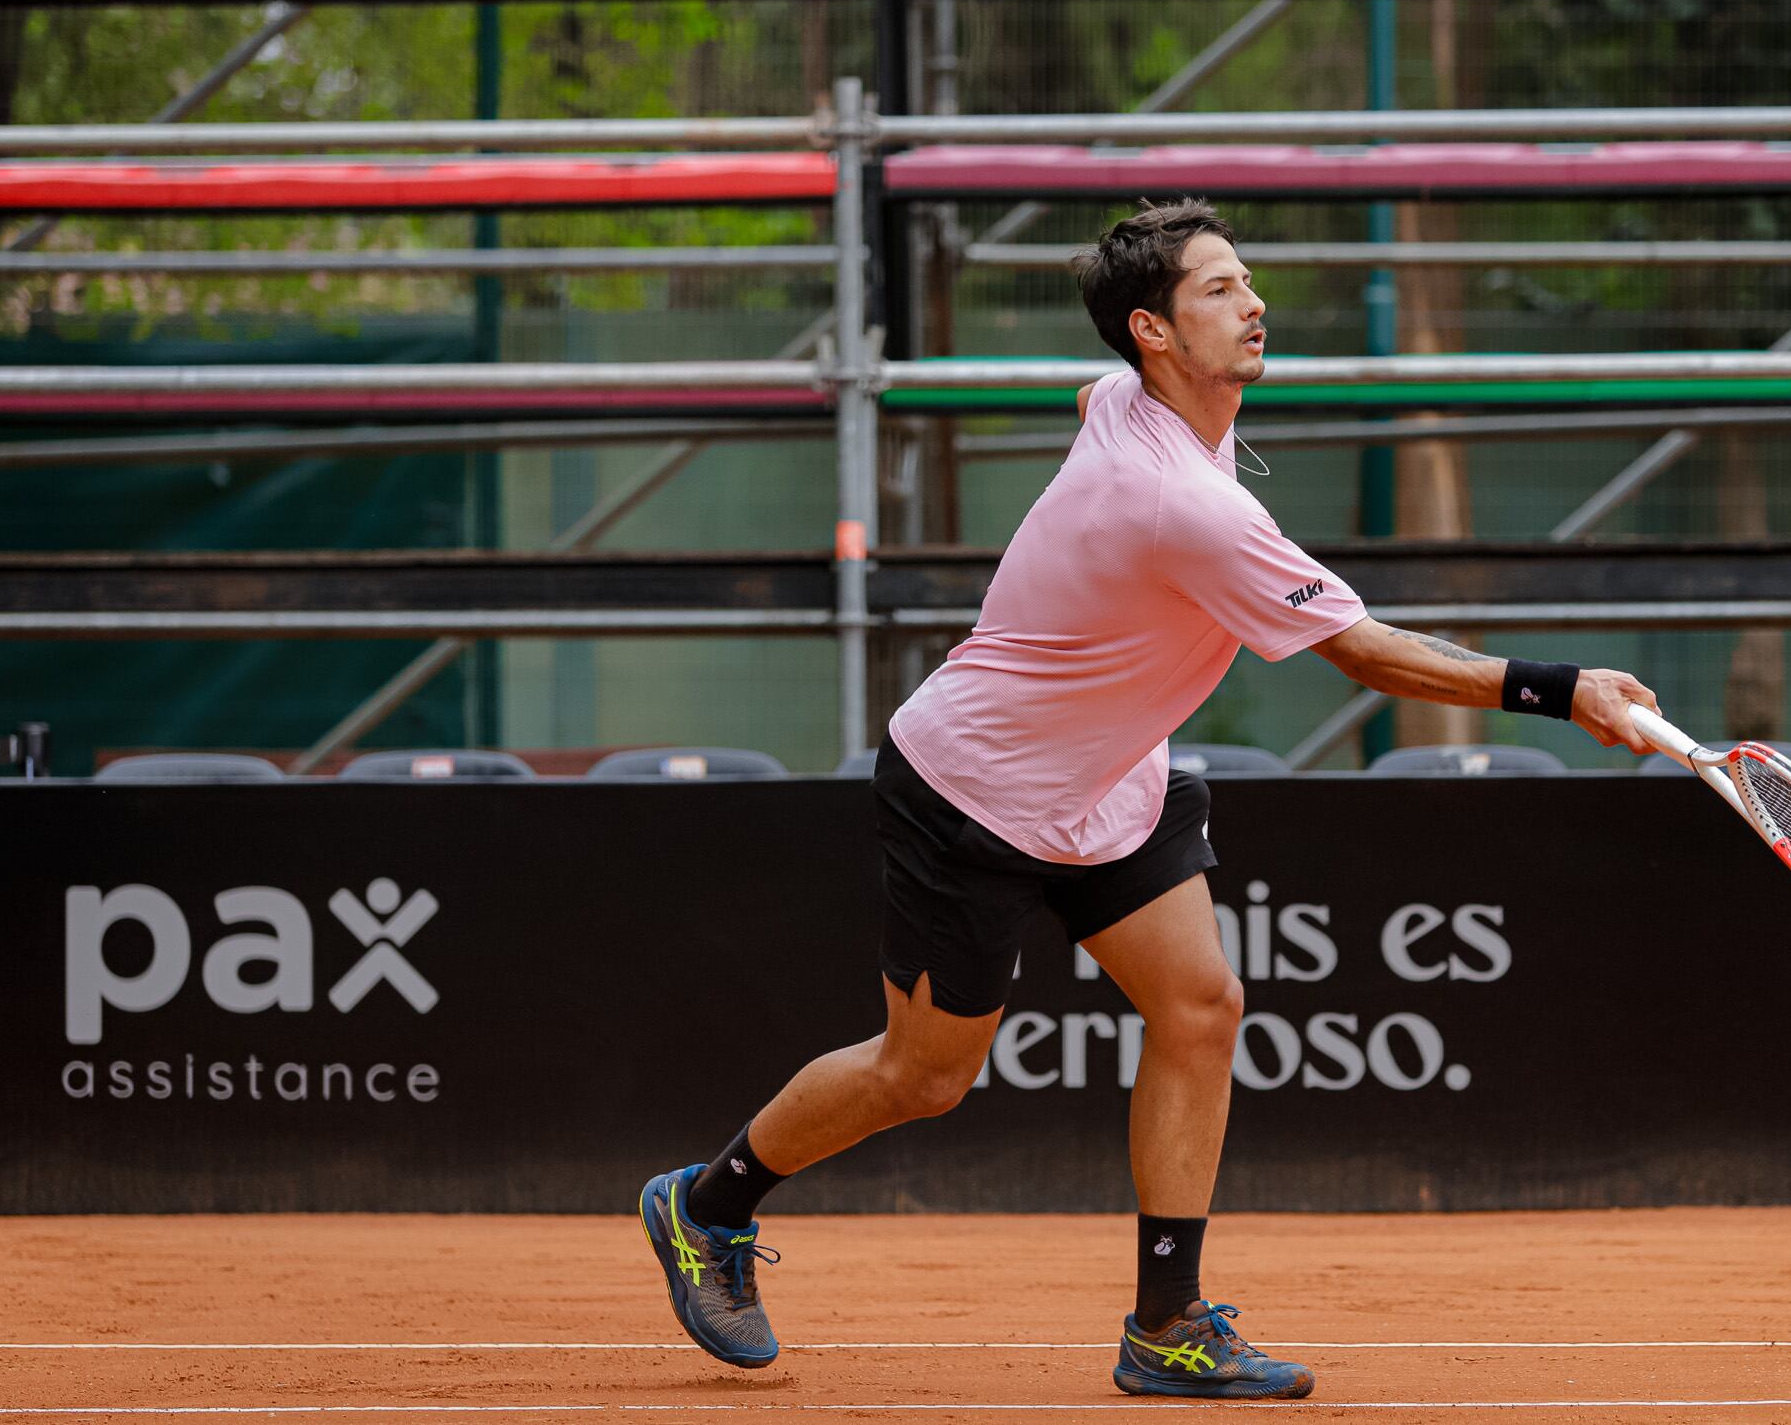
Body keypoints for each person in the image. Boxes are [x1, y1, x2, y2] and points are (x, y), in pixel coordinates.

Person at [641, 198, 1661, 1399]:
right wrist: (1565, 688)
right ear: (1153, 329)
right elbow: (1369, 655)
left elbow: (1091, 399)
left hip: (1115, 778)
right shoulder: (1186, 503)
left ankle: (1166, 1324)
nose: (1254, 303)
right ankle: (704, 1207)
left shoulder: (1126, 395)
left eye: (1247, 281)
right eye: (1220, 288)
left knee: (1201, 1007)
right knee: (925, 1077)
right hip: (973, 788)